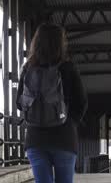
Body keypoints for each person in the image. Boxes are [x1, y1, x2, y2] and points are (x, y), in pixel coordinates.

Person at [17, 23, 88, 183]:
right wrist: (70, 123)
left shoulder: (28, 68)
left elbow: (19, 102)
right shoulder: (68, 68)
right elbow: (82, 102)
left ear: (36, 42)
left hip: (36, 139)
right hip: (64, 138)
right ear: (60, 43)